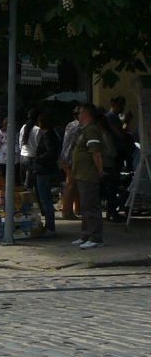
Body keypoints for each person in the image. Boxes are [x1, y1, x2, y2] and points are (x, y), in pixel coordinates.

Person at [72, 104, 106, 249]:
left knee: (91, 206)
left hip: (88, 175)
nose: (77, 116)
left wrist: (100, 171)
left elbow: (96, 153)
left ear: (85, 114)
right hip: (81, 174)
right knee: (85, 207)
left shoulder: (91, 130)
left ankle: (96, 237)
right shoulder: (83, 131)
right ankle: (85, 235)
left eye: (79, 113)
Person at [33, 114, 63, 237]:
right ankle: (50, 226)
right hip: (48, 170)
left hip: (44, 170)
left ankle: (50, 227)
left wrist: (38, 159)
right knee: (47, 199)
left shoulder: (47, 136)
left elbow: (50, 153)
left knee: (46, 200)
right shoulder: (53, 134)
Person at [58, 105, 83, 220]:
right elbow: (72, 145)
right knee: (71, 186)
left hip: (66, 158)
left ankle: (76, 209)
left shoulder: (70, 124)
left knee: (73, 185)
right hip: (71, 159)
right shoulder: (78, 128)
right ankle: (67, 212)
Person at [18, 108, 42, 189]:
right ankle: (30, 201)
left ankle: (25, 201)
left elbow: (20, 142)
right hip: (33, 157)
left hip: (23, 156)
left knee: (24, 184)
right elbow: (39, 144)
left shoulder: (23, 127)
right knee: (31, 184)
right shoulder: (38, 130)